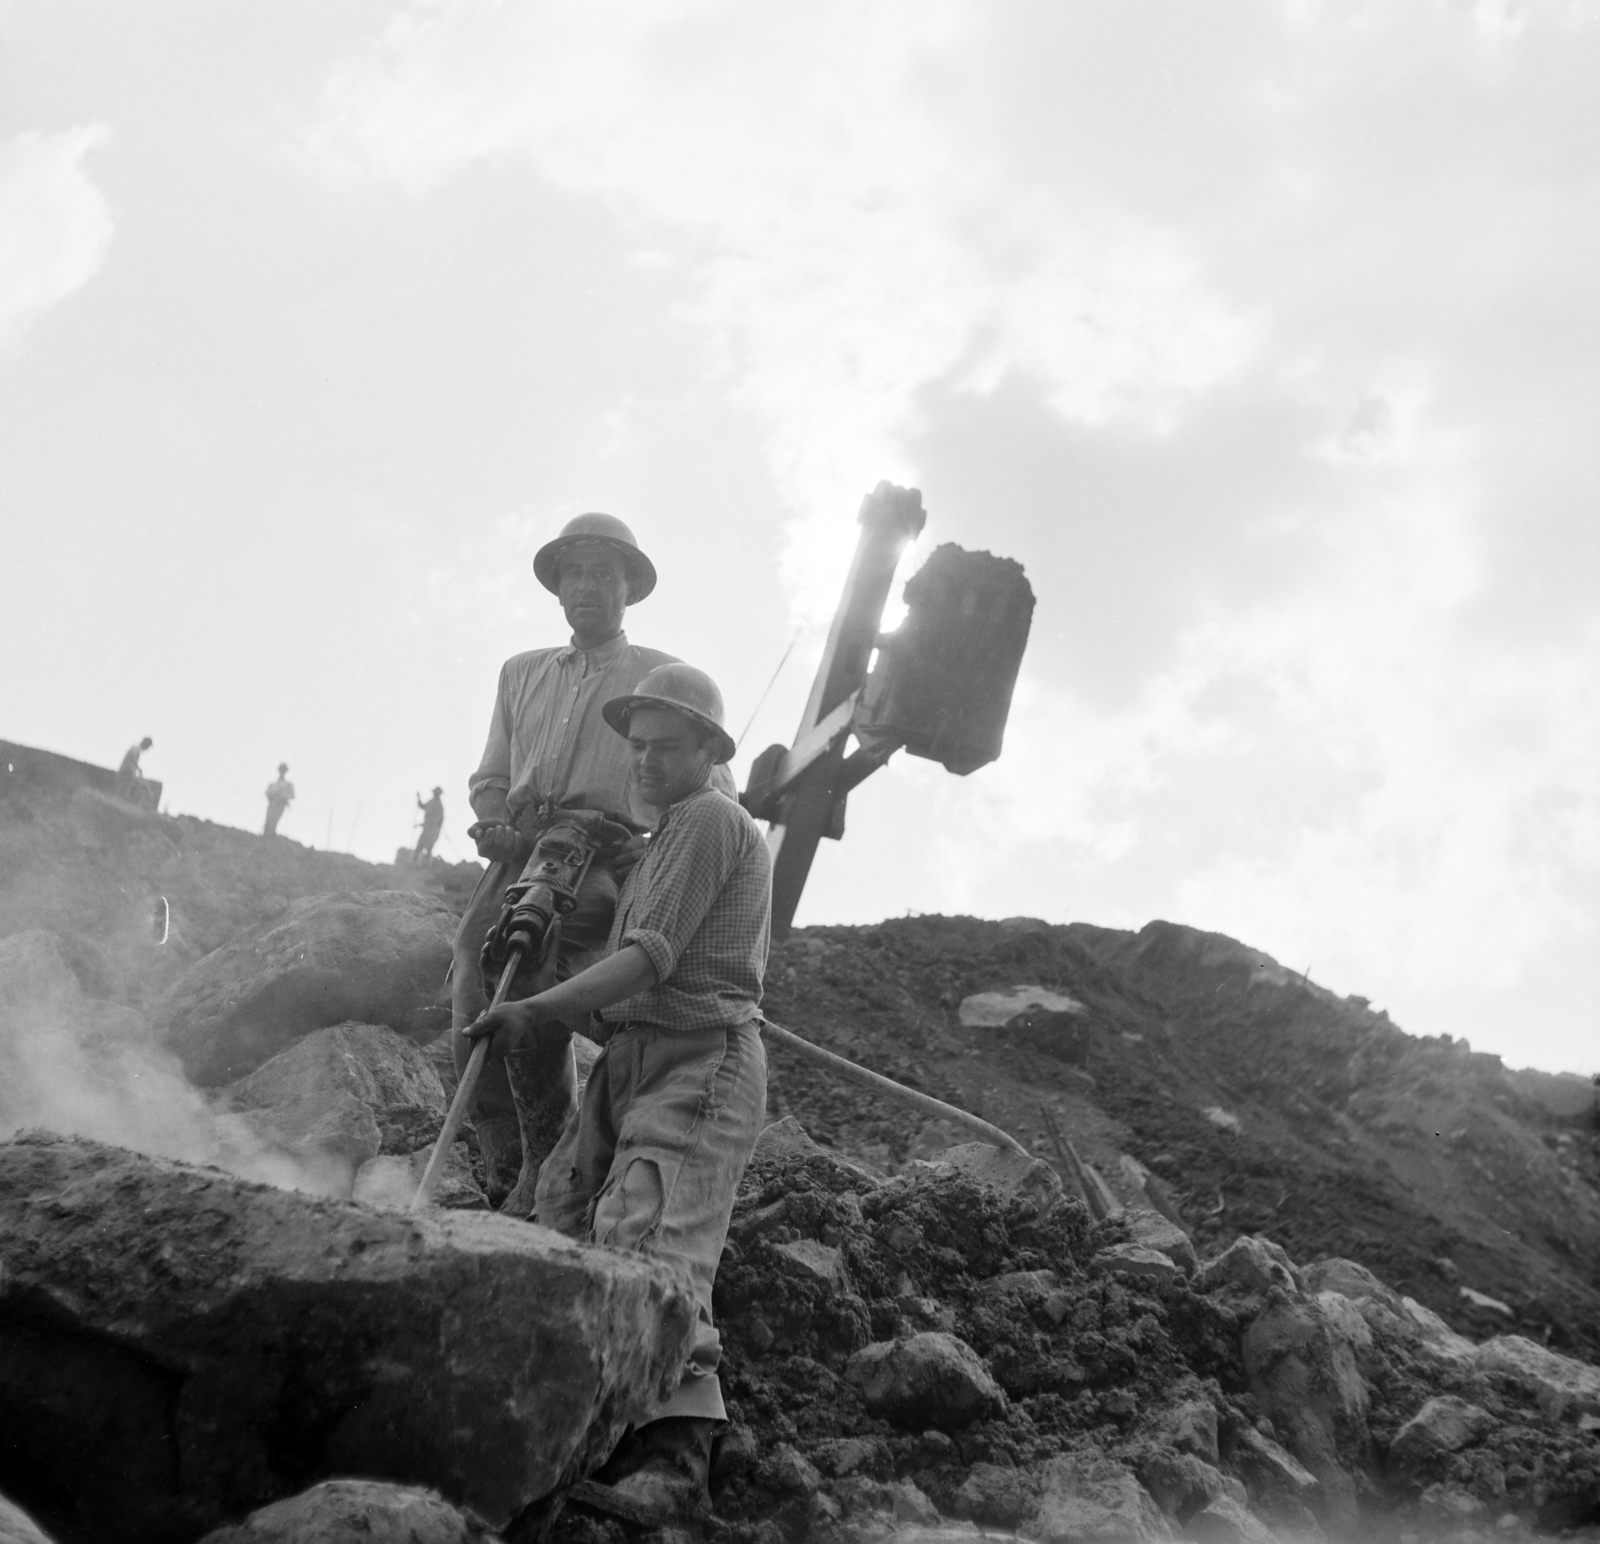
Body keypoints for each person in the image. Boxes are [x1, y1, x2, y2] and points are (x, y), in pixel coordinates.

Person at [467, 663, 770, 1525]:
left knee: (653, 1233)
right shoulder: (662, 836)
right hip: (632, 1055)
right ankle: (580, 1424)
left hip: (698, 1060)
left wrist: (533, 1012)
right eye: (634, 746)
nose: (643, 762)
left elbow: (647, 958)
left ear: (709, 749)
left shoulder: (712, 817)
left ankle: (678, 1460)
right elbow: (612, 953)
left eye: (664, 747)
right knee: (562, 1212)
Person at [454, 512, 736, 1213]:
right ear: (557, 587)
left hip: (610, 858)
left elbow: (713, 792)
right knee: (473, 970)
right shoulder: (520, 673)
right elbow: (492, 774)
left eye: (603, 574)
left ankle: (566, 1169)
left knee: (561, 985)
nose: (587, 587)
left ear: (628, 589)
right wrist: (492, 819)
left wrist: (669, 861)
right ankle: (508, 1159)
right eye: (574, 572)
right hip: (525, 851)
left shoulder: (654, 677)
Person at [115, 737, 154, 808]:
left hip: (129, 772)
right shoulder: (136, 748)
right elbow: (132, 754)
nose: (147, 749)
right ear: (145, 744)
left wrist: (138, 770)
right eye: (148, 746)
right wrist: (138, 767)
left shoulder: (138, 750)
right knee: (123, 792)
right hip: (126, 772)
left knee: (128, 791)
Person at [264, 763, 294, 836]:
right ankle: (266, 834)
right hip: (272, 803)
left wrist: (282, 796)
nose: (282, 771)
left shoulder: (288, 784)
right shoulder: (273, 784)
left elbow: (292, 795)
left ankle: (271, 834)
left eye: (284, 770)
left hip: (280, 804)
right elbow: (267, 793)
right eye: (281, 769)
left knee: (275, 819)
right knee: (269, 818)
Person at [414, 786, 444, 859]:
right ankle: (415, 864)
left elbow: (434, 821)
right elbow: (422, 806)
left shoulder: (439, 806)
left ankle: (426, 865)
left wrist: (420, 825)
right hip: (427, 829)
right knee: (420, 845)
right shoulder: (431, 802)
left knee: (429, 847)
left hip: (433, 831)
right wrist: (418, 797)